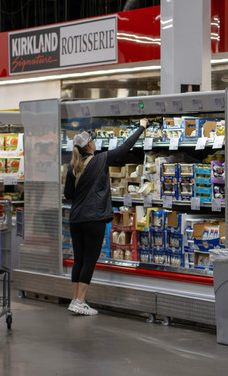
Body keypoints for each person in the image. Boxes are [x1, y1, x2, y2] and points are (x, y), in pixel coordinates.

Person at [63, 119, 148, 315]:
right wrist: (141, 127)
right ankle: (81, 300)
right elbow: (125, 147)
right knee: (89, 260)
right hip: (94, 218)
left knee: (79, 260)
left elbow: (69, 195)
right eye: (93, 140)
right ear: (90, 145)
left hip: (76, 219)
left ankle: (75, 299)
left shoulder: (72, 167)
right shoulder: (101, 160)